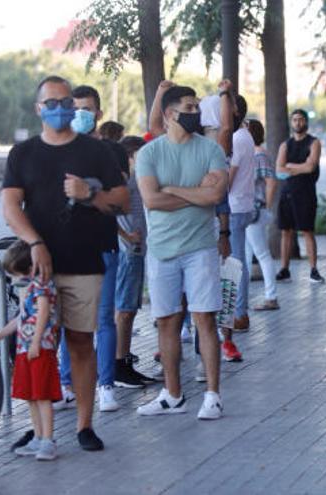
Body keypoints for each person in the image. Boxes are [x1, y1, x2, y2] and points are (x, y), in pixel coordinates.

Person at [2, 75, 128, 451]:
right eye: (50, 103)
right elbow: (10, 207)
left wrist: (90, 193)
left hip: (84, 261)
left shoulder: (96, 152)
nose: (58, 109)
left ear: (73, 106)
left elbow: (123, 202)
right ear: (38, 108)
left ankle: (84, 426)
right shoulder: (22, 154)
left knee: (80, 343)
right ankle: (41, 429)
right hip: (39, 267)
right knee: (33, 348)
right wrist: (35, 242)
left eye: (64, 102)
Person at [134, 84, 228, 420]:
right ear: (170, 113)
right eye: (190, 106)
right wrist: (194, 193)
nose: (196, 112)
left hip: (200, 248)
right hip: (161, 251)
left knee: (205, 318)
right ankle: (172, 395)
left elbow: (215, 196)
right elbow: (151, 200)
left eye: (197, 106)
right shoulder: (149, 153)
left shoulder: (211, 150)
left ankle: (213, 396)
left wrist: (171, 189)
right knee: (166, 322)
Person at [53, 84, 124, 413]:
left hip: (104, 245)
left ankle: (106, 385)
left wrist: (90, 196)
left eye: (87, 109)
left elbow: (122, 202)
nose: (80, 114)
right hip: (69, 247)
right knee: (72, 320)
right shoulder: (59, 150)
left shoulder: (111, 152)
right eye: (75, 108)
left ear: (98, 113)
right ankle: (67, 384)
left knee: (104, 318)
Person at [0, 241, 61, 461]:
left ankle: (48, 439)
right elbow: (21, 318)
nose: (15, 279)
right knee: (31, 396)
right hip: (25, 349)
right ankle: (37, 437)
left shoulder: (43, 285)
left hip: (39, 348)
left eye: (16, 274)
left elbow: (44, 314)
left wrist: (36, 342)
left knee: (42, 395)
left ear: (30, 268)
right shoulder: (31, 287)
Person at [112, 135, 157, 388]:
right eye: (141, 155)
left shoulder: (136, 178)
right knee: (125, 309)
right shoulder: (124, 179)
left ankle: (125, 360)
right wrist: (127, 236)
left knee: (130, 308)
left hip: (137, 248)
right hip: (129, 249)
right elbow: (108, 211)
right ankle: (119, 366)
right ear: (130, 157)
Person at [276, 109, 324, 283]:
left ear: (306, 122)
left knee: (307, 231)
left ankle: (313, 269)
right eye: (295, 120)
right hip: (287, 193)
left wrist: (289, 167)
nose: (298, 123)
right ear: (291, 122)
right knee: (286, 232)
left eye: (301, 119)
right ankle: (284, 269)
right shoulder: (285, 145)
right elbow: (278, 170)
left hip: (306, 193)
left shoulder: (314, 143)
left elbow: (311, 167)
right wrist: (298, 167)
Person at [226, 94, 254, 332]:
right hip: (242, 205)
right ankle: (239, 312)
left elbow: (229, 177)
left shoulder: (236, 138)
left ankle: (239, 313)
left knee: (236, 262)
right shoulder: (246, 136)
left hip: (234, 207)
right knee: (239, 259)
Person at [245, 119, 280, 310]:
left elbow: (271, 182)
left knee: (261, 254)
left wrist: (264, 204)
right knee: (248, 253)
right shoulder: (254, 154)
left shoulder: (259, 155)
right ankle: (250, 295)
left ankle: (271, 296)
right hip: (252, 210)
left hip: (254, 210)